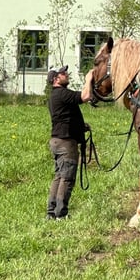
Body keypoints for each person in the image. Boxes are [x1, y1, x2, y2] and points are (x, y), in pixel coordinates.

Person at [46, 65, 94, 220]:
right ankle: (61, 213)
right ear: (55, 79)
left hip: (57, 140)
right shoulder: (62, 93)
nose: (66, 74)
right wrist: (89, 79)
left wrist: (81, 126)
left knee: (59, 176)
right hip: (66, 143)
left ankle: (51, 212)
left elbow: (65, 117)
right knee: (67, 177)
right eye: (63, 73)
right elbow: (86, 96)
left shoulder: (55, 96)